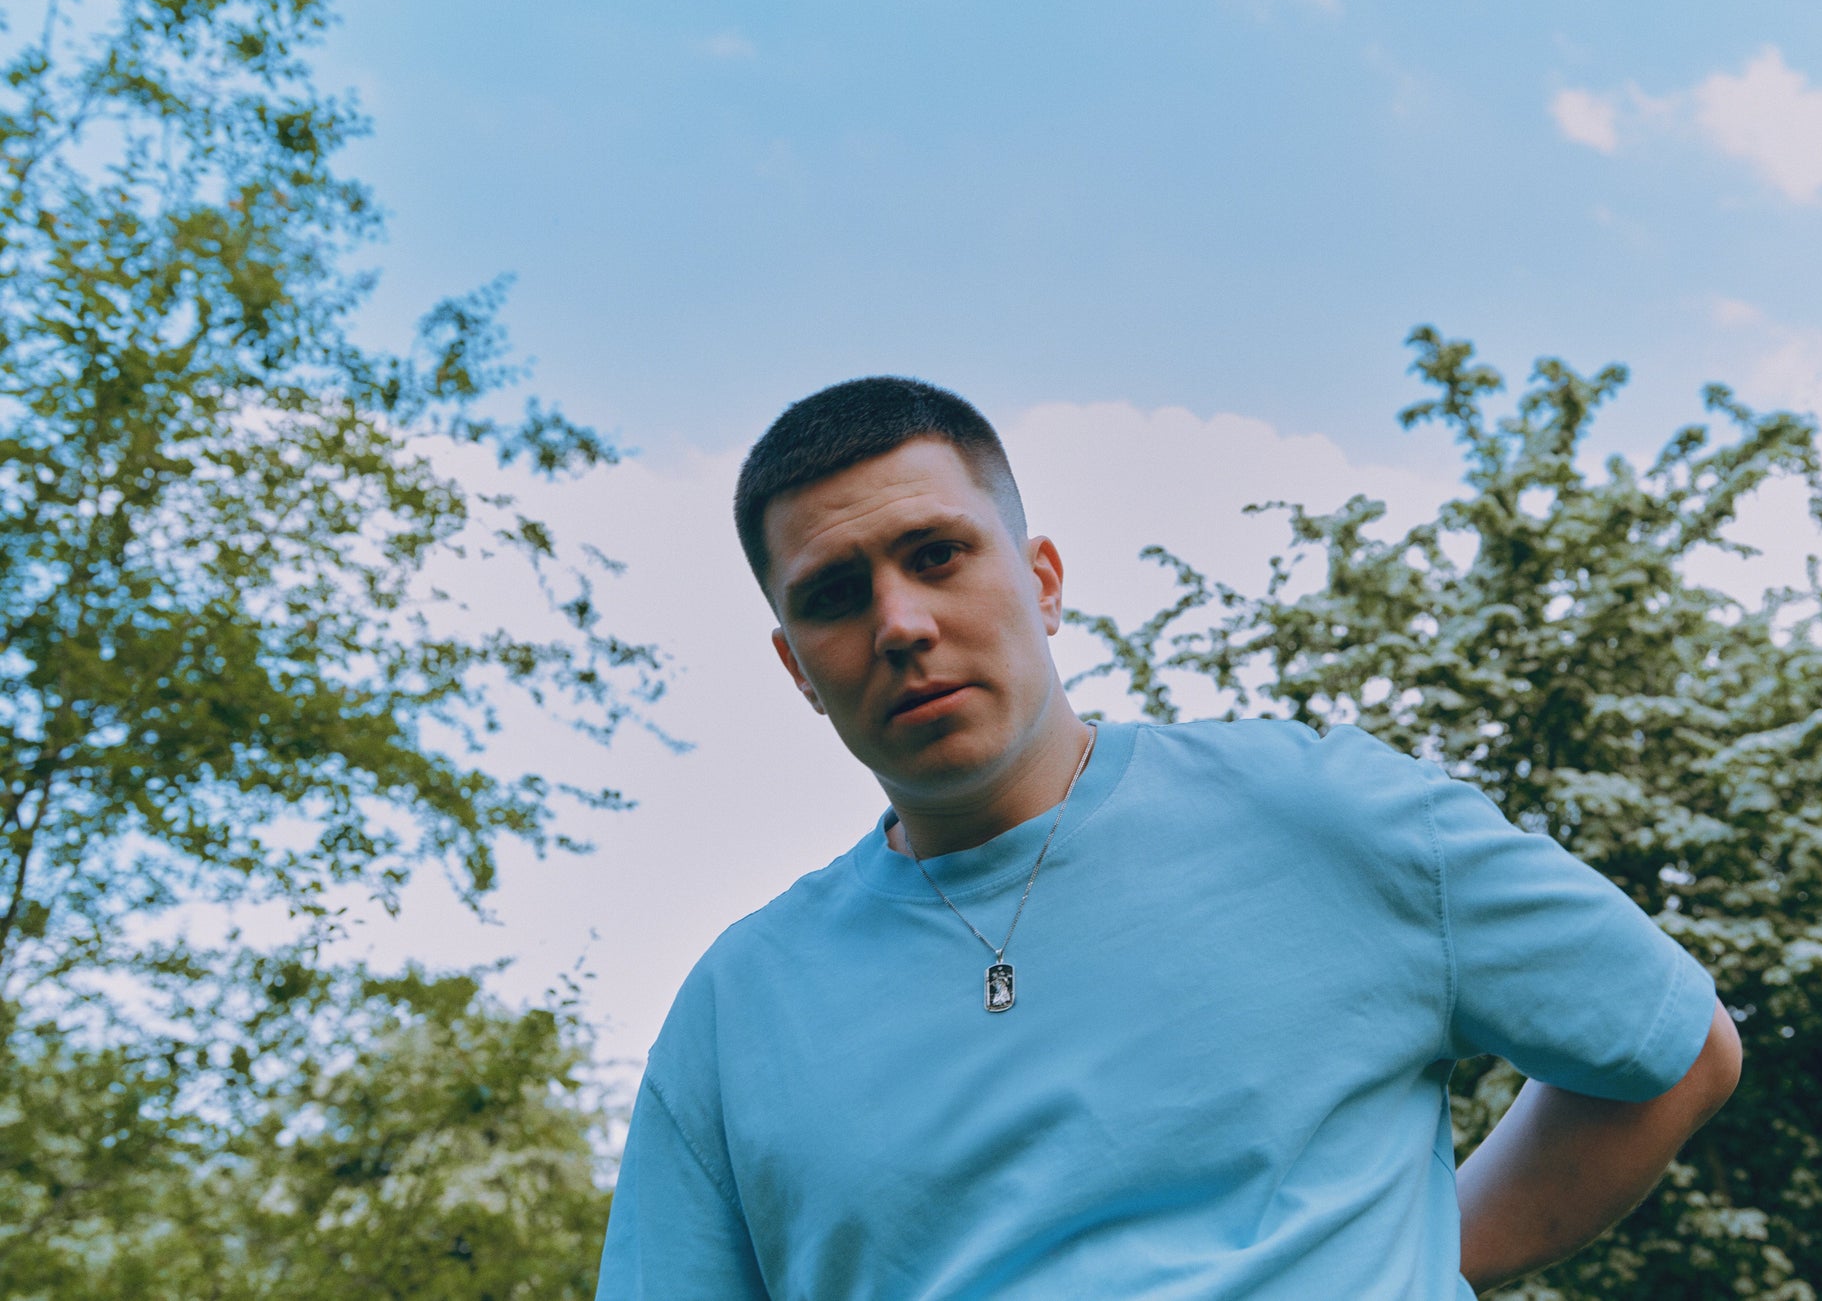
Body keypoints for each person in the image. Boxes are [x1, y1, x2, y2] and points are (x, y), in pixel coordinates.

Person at [596, 377, 1742, 1299]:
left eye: (936, 554)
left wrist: (1424, 1260)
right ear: (797, 668)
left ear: (1041, 581)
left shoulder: (1326, 815)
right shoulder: (735, 1012)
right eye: (834, 595)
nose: (899, 622)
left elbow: (1675, 1051)